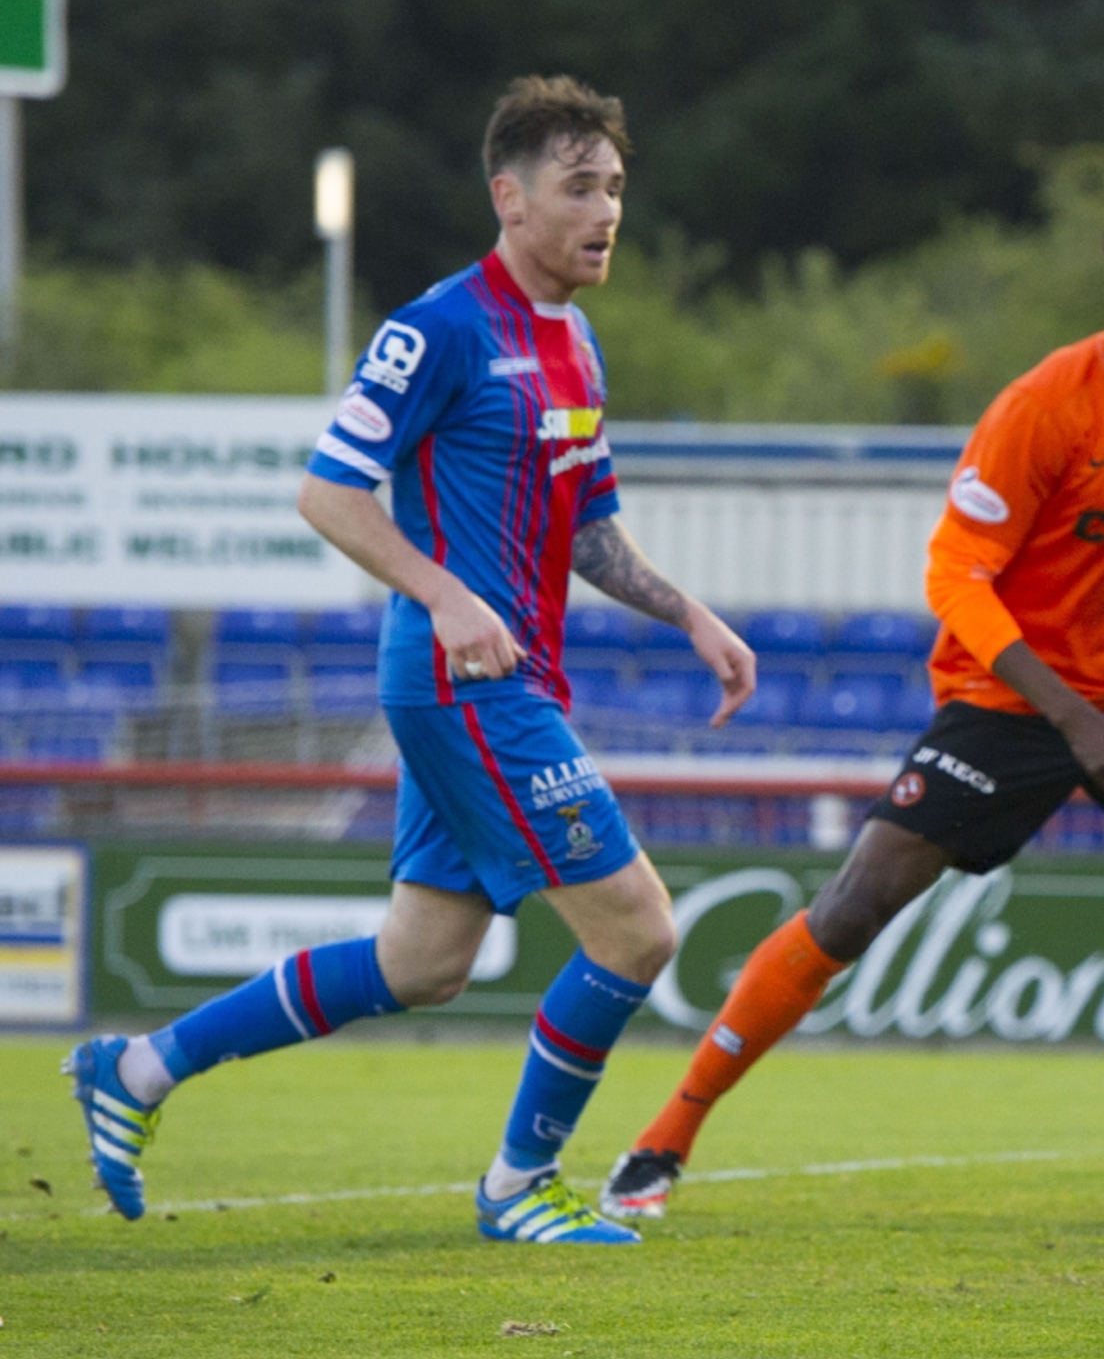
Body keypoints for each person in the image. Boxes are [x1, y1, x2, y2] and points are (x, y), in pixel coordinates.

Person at [64, 76, 756, 1245]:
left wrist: (688, 612)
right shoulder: (437, 326)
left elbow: (588, 524)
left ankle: (133, 1069)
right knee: (637, 929)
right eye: (580, 188)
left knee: (422, 960)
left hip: (507, 678)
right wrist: (441, 597)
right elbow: (326, 492)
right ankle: (515, 1187)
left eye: (617, 190)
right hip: (466, 683)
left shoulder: (577, 343)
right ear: (510, 196)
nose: (607, 213)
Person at [599, 194, 1104, 1222]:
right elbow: (955, 577)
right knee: (854, 906)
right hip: (1003, 698)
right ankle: (662, 1141)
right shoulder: (1045, 405)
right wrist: (1072, 719)